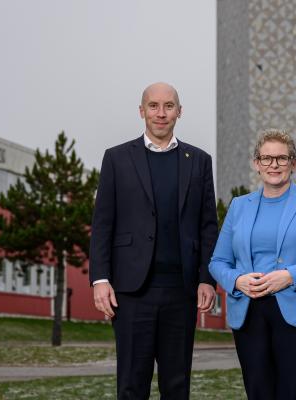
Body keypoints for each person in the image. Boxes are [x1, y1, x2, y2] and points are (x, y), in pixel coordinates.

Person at [88, 82, 218, 400]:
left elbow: (207, 226)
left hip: (182, 291)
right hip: (131, 292)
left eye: (169, 106)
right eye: (154, 106)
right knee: (132, 385)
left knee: (176, 385)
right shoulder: (117, 158)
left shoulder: (199, 161)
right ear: (142, 111)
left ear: (179, 111)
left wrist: (207, 279)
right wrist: (100, 279)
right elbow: (103, 224)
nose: (161, 113)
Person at [209, 130, 296, 400]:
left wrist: (290, 276)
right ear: (256, 163)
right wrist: (237, 281)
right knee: (258, 392)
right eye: (267, 158)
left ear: (293, 163)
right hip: (250, 312)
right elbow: (218, 261)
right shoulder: (239, 206)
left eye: (282, 158)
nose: (274, 165)